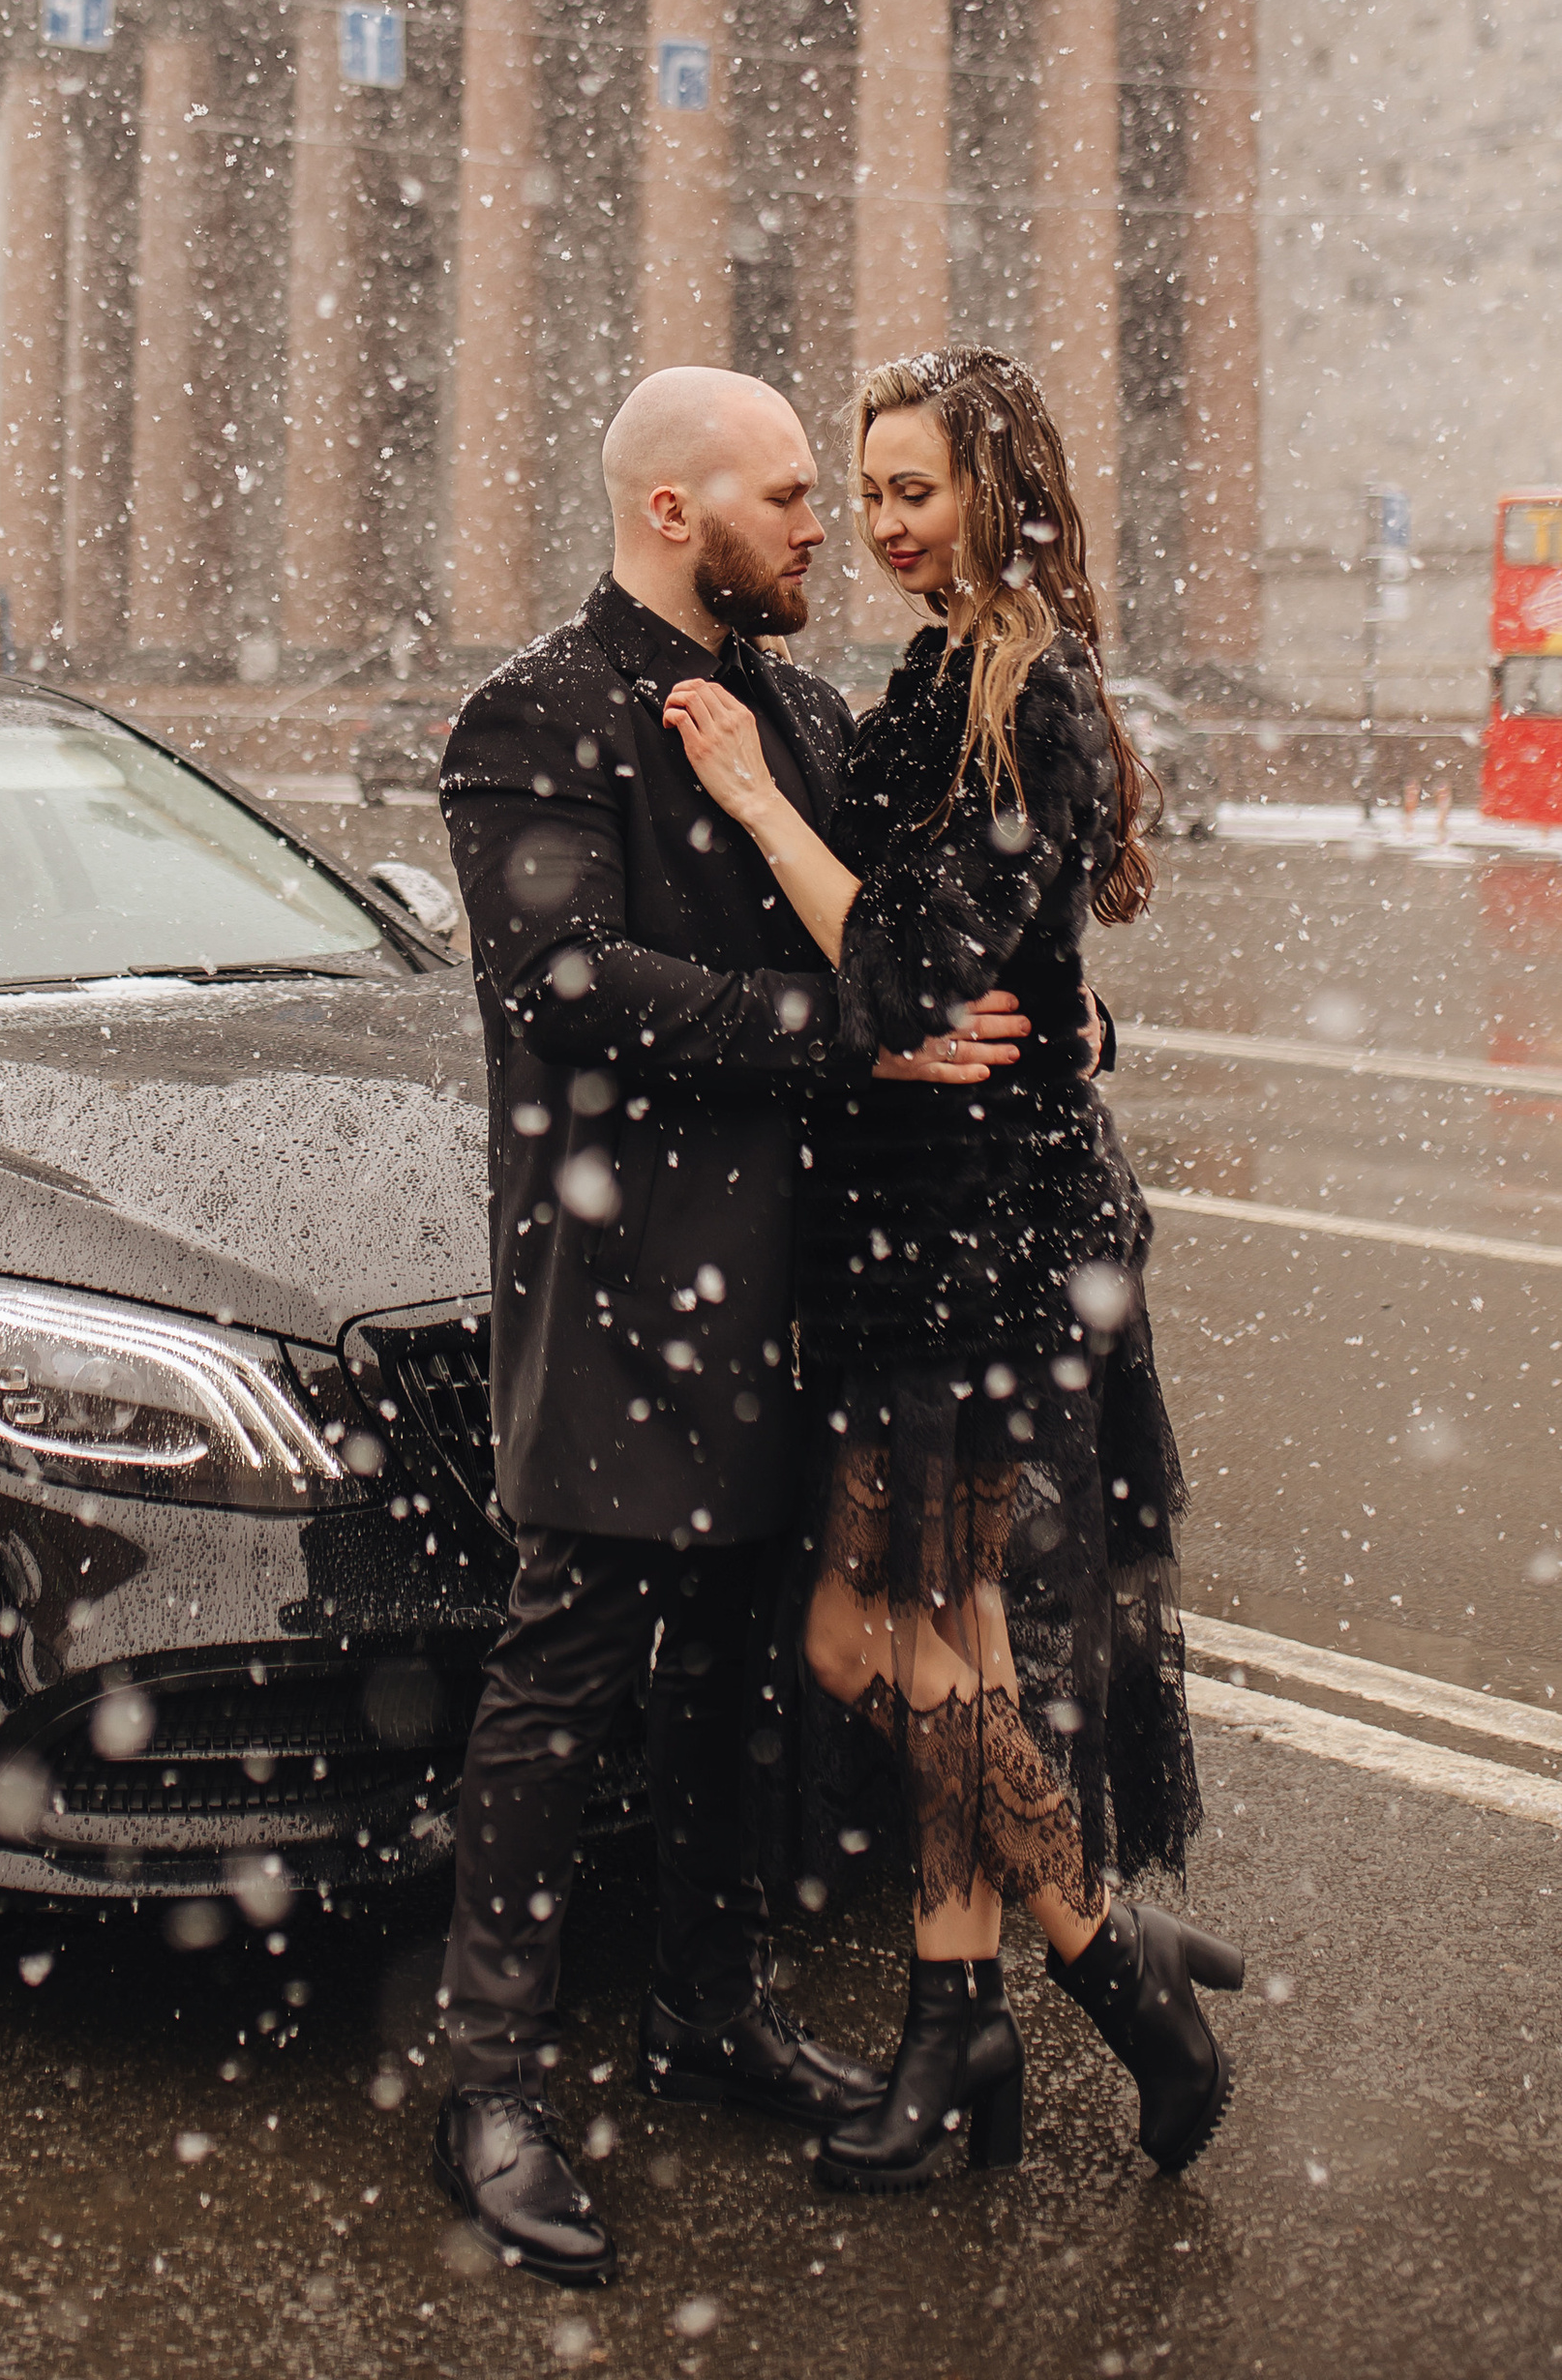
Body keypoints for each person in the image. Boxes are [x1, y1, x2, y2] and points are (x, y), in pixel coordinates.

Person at [429, 366, 1032, 2284]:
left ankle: (703, 2011)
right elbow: (564, 980)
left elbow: (897, 935)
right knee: (559, 1693)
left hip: (802, 1292)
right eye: (784, 495)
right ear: (671, 510)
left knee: (733, 1699)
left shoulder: (804, 711)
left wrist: (1046, 1026)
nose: (818, 527)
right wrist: (840, 1033)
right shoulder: (534, 708)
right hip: (620, 1290)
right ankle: (488, 2087)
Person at [663, 346, 1241, 2197]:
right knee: (942, 1643)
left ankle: (1084, 1977)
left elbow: (908, 975)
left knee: (880, 1640)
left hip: (976, 1249)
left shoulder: (1021, 690)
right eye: (866, 489)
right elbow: (997, 967)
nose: (882, 521)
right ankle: (975, 2000)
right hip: (926, 1234)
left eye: (912, 489)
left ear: (999, 490)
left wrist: (757, 800)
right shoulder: (949, 669)